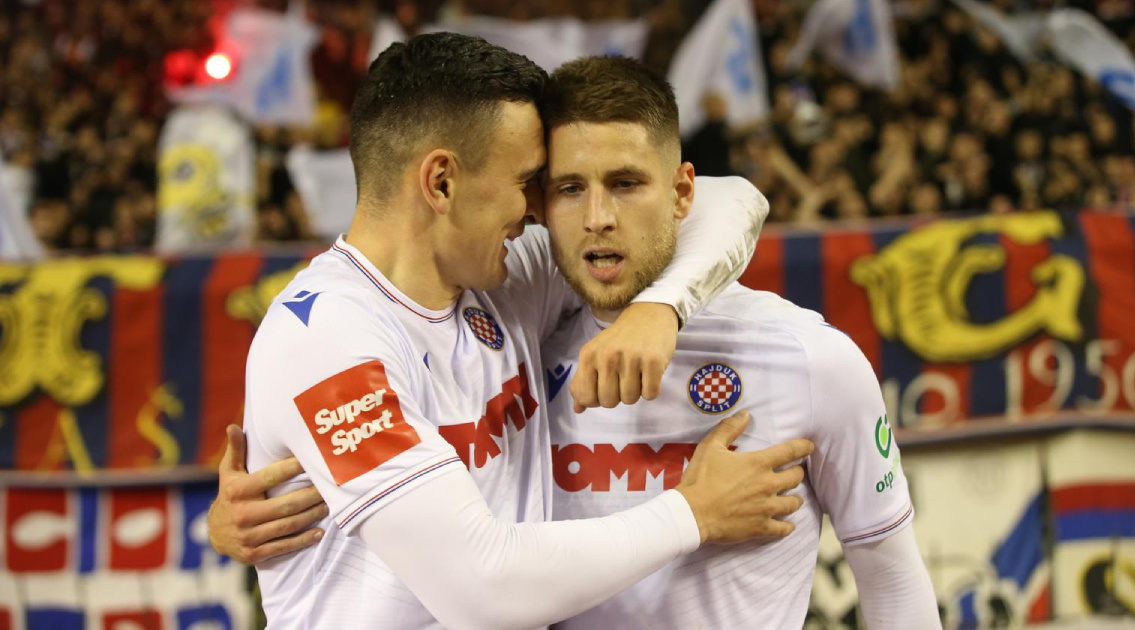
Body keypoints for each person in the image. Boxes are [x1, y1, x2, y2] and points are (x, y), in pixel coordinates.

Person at [231, 33, 813, 629]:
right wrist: (694, 514)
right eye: (526, 180)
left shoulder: (501, 280)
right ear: (442, 183)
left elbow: (727, 198)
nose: (538, 209)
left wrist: (661, 307)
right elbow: (481, 589)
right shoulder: (323, 339)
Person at [537, 56, 939, 628]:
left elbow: (892, 579)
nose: (597, 217)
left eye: (625, 184)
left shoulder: (811, 358)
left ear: (682, 193)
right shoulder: (524, 356)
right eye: (570, 188)